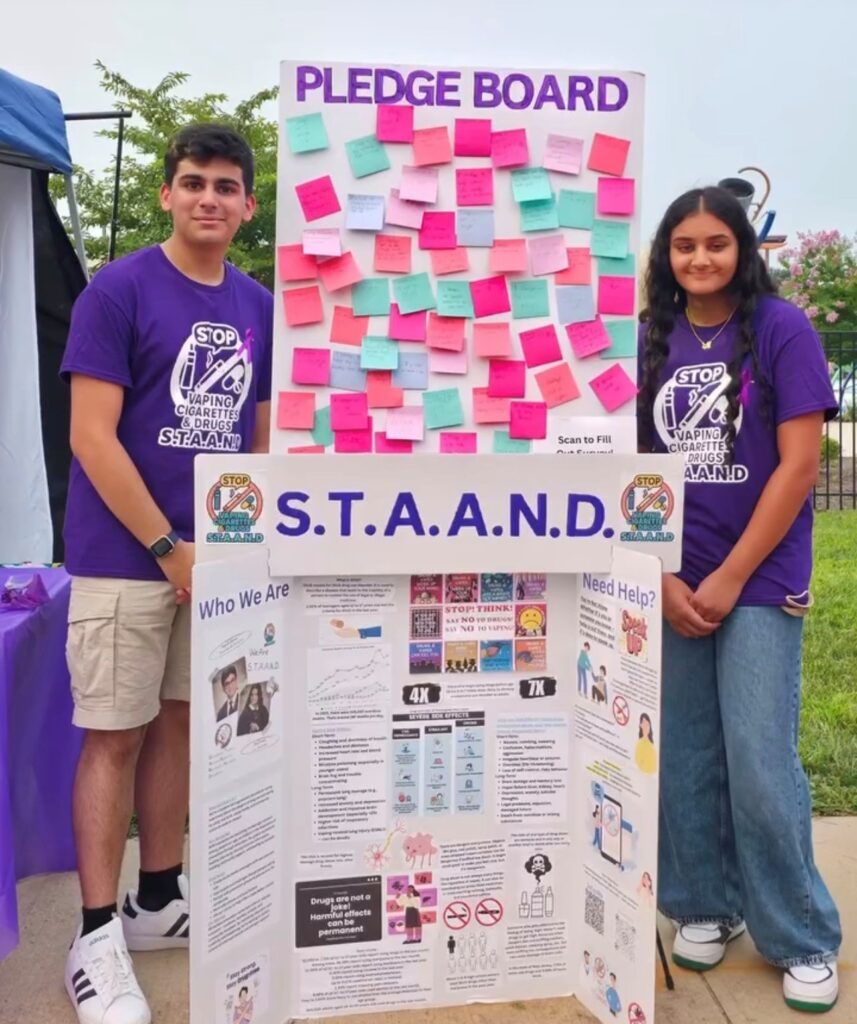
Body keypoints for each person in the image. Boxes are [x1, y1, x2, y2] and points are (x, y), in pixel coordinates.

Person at [61, 123, 272, 1024]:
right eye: (193, 183)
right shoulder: (118, 289)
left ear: (248, 205)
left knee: (184, 724)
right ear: (166, 194)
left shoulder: (260, 304)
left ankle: (156, 898)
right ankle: (95, 934)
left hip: (215, 561)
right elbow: (90, 437)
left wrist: (240, 546)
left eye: (226, 186)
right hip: (127, 558)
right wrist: (166, 549)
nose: (209, 199)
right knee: (114, 732)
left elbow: (255, 439)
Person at [638, 186, 841, 1012]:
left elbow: (798, 466)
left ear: (741, 248)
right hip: (670, 575)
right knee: (683, 753)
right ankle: (703, 905)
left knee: (758, 762)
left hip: (755, 579)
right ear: (665, 254)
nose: (698, 259)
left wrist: (726, 579)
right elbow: (621, 470)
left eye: (715, 244)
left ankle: (799, 933)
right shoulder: (648, 337)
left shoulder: (780, 328)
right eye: (683, 245)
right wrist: (660, 576)